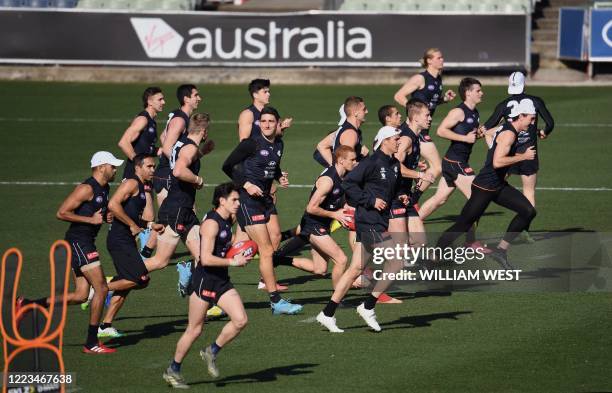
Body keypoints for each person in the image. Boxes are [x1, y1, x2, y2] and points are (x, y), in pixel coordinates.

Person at [18, 151, 123, 354]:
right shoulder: (86, 188)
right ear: (101, 167)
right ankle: (91, 343)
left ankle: (28, 305)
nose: (115, 169)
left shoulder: (105, 187)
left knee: (82, 295)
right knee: (100, 289)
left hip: (84, 242)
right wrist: (91, 220)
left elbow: (95, 212)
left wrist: (106, 217)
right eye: (112, 166)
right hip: (79, 243)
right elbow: (62, 212)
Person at [317, 126, 408, 333]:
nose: (399, 142)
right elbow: (349, 184)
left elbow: (391, 188)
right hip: (368, 220)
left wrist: (401, 195)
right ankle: (368, 306)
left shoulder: (394, 164)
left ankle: (327, 313)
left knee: (355, 270)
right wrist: (370, 200)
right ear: (385, 141)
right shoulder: (371, 162)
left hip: (379, 220)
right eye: (396, 138)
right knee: (397, 260)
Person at [163, 183, 251, 388]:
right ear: (222, 200)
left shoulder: (228, 219)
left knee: (240, 320)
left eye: (238, 200)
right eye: (234, 200)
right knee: (194, 329)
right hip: (204, 280)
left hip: (221, 279)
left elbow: (225, 247)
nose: (238, 204)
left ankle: (211, 351)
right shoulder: (211, 223)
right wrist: (233, 262)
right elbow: (206, 258)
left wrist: (237, 252)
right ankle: (173, 369)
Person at [436, 99, 538, 268]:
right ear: (521, 116)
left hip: (497, 186)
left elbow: (489, 133)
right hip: (484, 187)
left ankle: (501, 251)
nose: (533, 122)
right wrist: (523, 156)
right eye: (531, 118)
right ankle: (434, 256)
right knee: (463, 224)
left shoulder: (506, 128)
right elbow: (498, 162)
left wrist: (492, 145)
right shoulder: (509, 134)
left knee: (528, 211)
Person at [222, 106, 302, 315]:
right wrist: (246, 184)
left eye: (271, 122)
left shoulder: (279, 144)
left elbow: (273, 164)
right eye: (263, 121)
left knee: (241, 246)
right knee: (266, 250)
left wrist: (278, 176)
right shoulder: (251, 143)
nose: (266, 125)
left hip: (265, 201)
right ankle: (275, 300)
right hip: (248, 201)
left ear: (277, 124)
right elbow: (227, 166)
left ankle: (201, 271)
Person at [417, 78, 491, 252]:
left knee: (439, 199)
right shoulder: (459, 111)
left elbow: (468, 134)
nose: (482, 93)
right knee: (478, 199)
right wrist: (465, 138)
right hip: (455, 163)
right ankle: (470, 241)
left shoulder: (475, 112)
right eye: (478, 90)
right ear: (468, 93)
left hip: (454, 161)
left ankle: (412, 222)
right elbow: (441, 130)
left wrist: (479, 134)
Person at [97, 154, 165, 339]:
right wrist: (131, 225)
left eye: (154, 166)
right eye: (149, 166)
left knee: (127, 282)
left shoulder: (141, 186)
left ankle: (105, 325)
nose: (153, 169)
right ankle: (98, 288)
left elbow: (133, 215)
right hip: (119, 240)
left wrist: (150, 225)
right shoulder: (132, 183)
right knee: (140, 279)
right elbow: (113, 204)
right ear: (138, 167)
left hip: (125, 240)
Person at [273, 145, 357, 290]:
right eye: (352, 159)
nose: (355, 162)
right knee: (341, 260)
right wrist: (335, 214)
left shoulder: (343, 175)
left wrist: (346, 207)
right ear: (341, 160)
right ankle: (337, 298)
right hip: (313, 224)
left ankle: (278, 259)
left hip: (323, 224)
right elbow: (311, 208)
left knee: (320, 269)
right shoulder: (328, 181)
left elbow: (336, 198)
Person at [484, 71, 555, 243]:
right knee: (529, 191)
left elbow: (487, 127)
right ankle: (525, 229)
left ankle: (475, 220)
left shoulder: (503, 105)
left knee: (489, 190)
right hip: (529, 153)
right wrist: (543, 132)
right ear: (525, 84)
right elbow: (550, 123)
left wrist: (492, 143)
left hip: (509, 153)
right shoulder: (536, 101)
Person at [146, 113, 210, 281]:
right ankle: (114, 282)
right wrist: (198, 180)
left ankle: (206, 299)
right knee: (160, 261)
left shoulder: (182, 143)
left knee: (204, 257)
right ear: (203, 131)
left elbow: (185, 159)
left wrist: (203, 152)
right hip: (178, 210)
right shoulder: (189, 148)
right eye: (207, 130)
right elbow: (179, 170)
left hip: (181, 208)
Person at [393, 48, 456, 200]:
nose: (442, 60)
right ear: (429, 60)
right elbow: (399, 95)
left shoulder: (438, 79)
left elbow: (429, 103)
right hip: (414, 129)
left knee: (414, 166)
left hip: (422, 130)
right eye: (439, 58)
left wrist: (444, 100)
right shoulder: (420, 78)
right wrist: (414, 111)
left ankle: (408, 197)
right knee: (437, 167)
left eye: (442, 57)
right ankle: (412, 198)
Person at [117, 87, 165, 253]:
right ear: (149, 101)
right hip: (134, 175)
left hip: (145, 175)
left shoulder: (152, 121)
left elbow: (145, 148)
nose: (163, 102)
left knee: (145, 216)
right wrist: (138, 164)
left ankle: (142, 252)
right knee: (145, 215)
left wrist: (161, 151)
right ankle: (142, 254)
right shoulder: (143, 119)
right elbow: (124, 142)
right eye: (160, 99)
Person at [387, 100, 435, 249]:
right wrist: (420, 175)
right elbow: (394, 167)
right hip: (393, 196)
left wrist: (414, 165)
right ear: (415, 118)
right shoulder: (406, 139)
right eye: (427, 115)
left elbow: (402, 163)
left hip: (404, 196)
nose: (430, 118)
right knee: (399, 246)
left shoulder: (414, 137)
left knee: (419, 241)